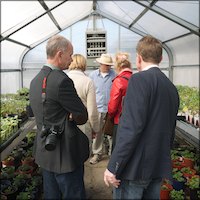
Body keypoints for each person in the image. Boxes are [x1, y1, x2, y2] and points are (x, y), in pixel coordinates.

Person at [104, 35, 180, 199]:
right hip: (157, 165)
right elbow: (170, 129)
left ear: (138, 58)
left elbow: (131, 127)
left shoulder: (138, 80)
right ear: (160, 58)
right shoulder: (170, 87)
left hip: (135, 169)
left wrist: (113, 166)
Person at [29, 35, 88, 199]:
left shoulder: (35, 81)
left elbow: (34, 112)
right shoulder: (62, 81)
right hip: (65, 154)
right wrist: (71, 115)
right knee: (73, 193)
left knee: (51, 194)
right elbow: (82, 116)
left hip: (45, 152)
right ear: (60, 54)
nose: (71, 59)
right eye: (70, 55)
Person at [67, 54, 100, 153]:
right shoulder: (88, 81)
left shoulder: (63, 78)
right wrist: (95, 128)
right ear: (83, 64)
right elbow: (92, 110)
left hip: (66, 124)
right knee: (82, 156)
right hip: (83, 124)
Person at [89, 53, 116, 164]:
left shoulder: (114, 75)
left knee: (111, 133)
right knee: (98, 132)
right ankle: (97, 154)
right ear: (100, 64)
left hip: (111, 109)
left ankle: (112, 155)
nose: (107, 67)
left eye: (109, 65)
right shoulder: (92, 76)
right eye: (105, 64)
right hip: (98, 108)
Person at [108, 52, 133, 152]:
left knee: (118, 150)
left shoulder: (118, 81)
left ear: (118, 66)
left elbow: (113, 107)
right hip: (134, 120)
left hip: (120, 120)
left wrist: (110, 115)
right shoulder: (136, 78)